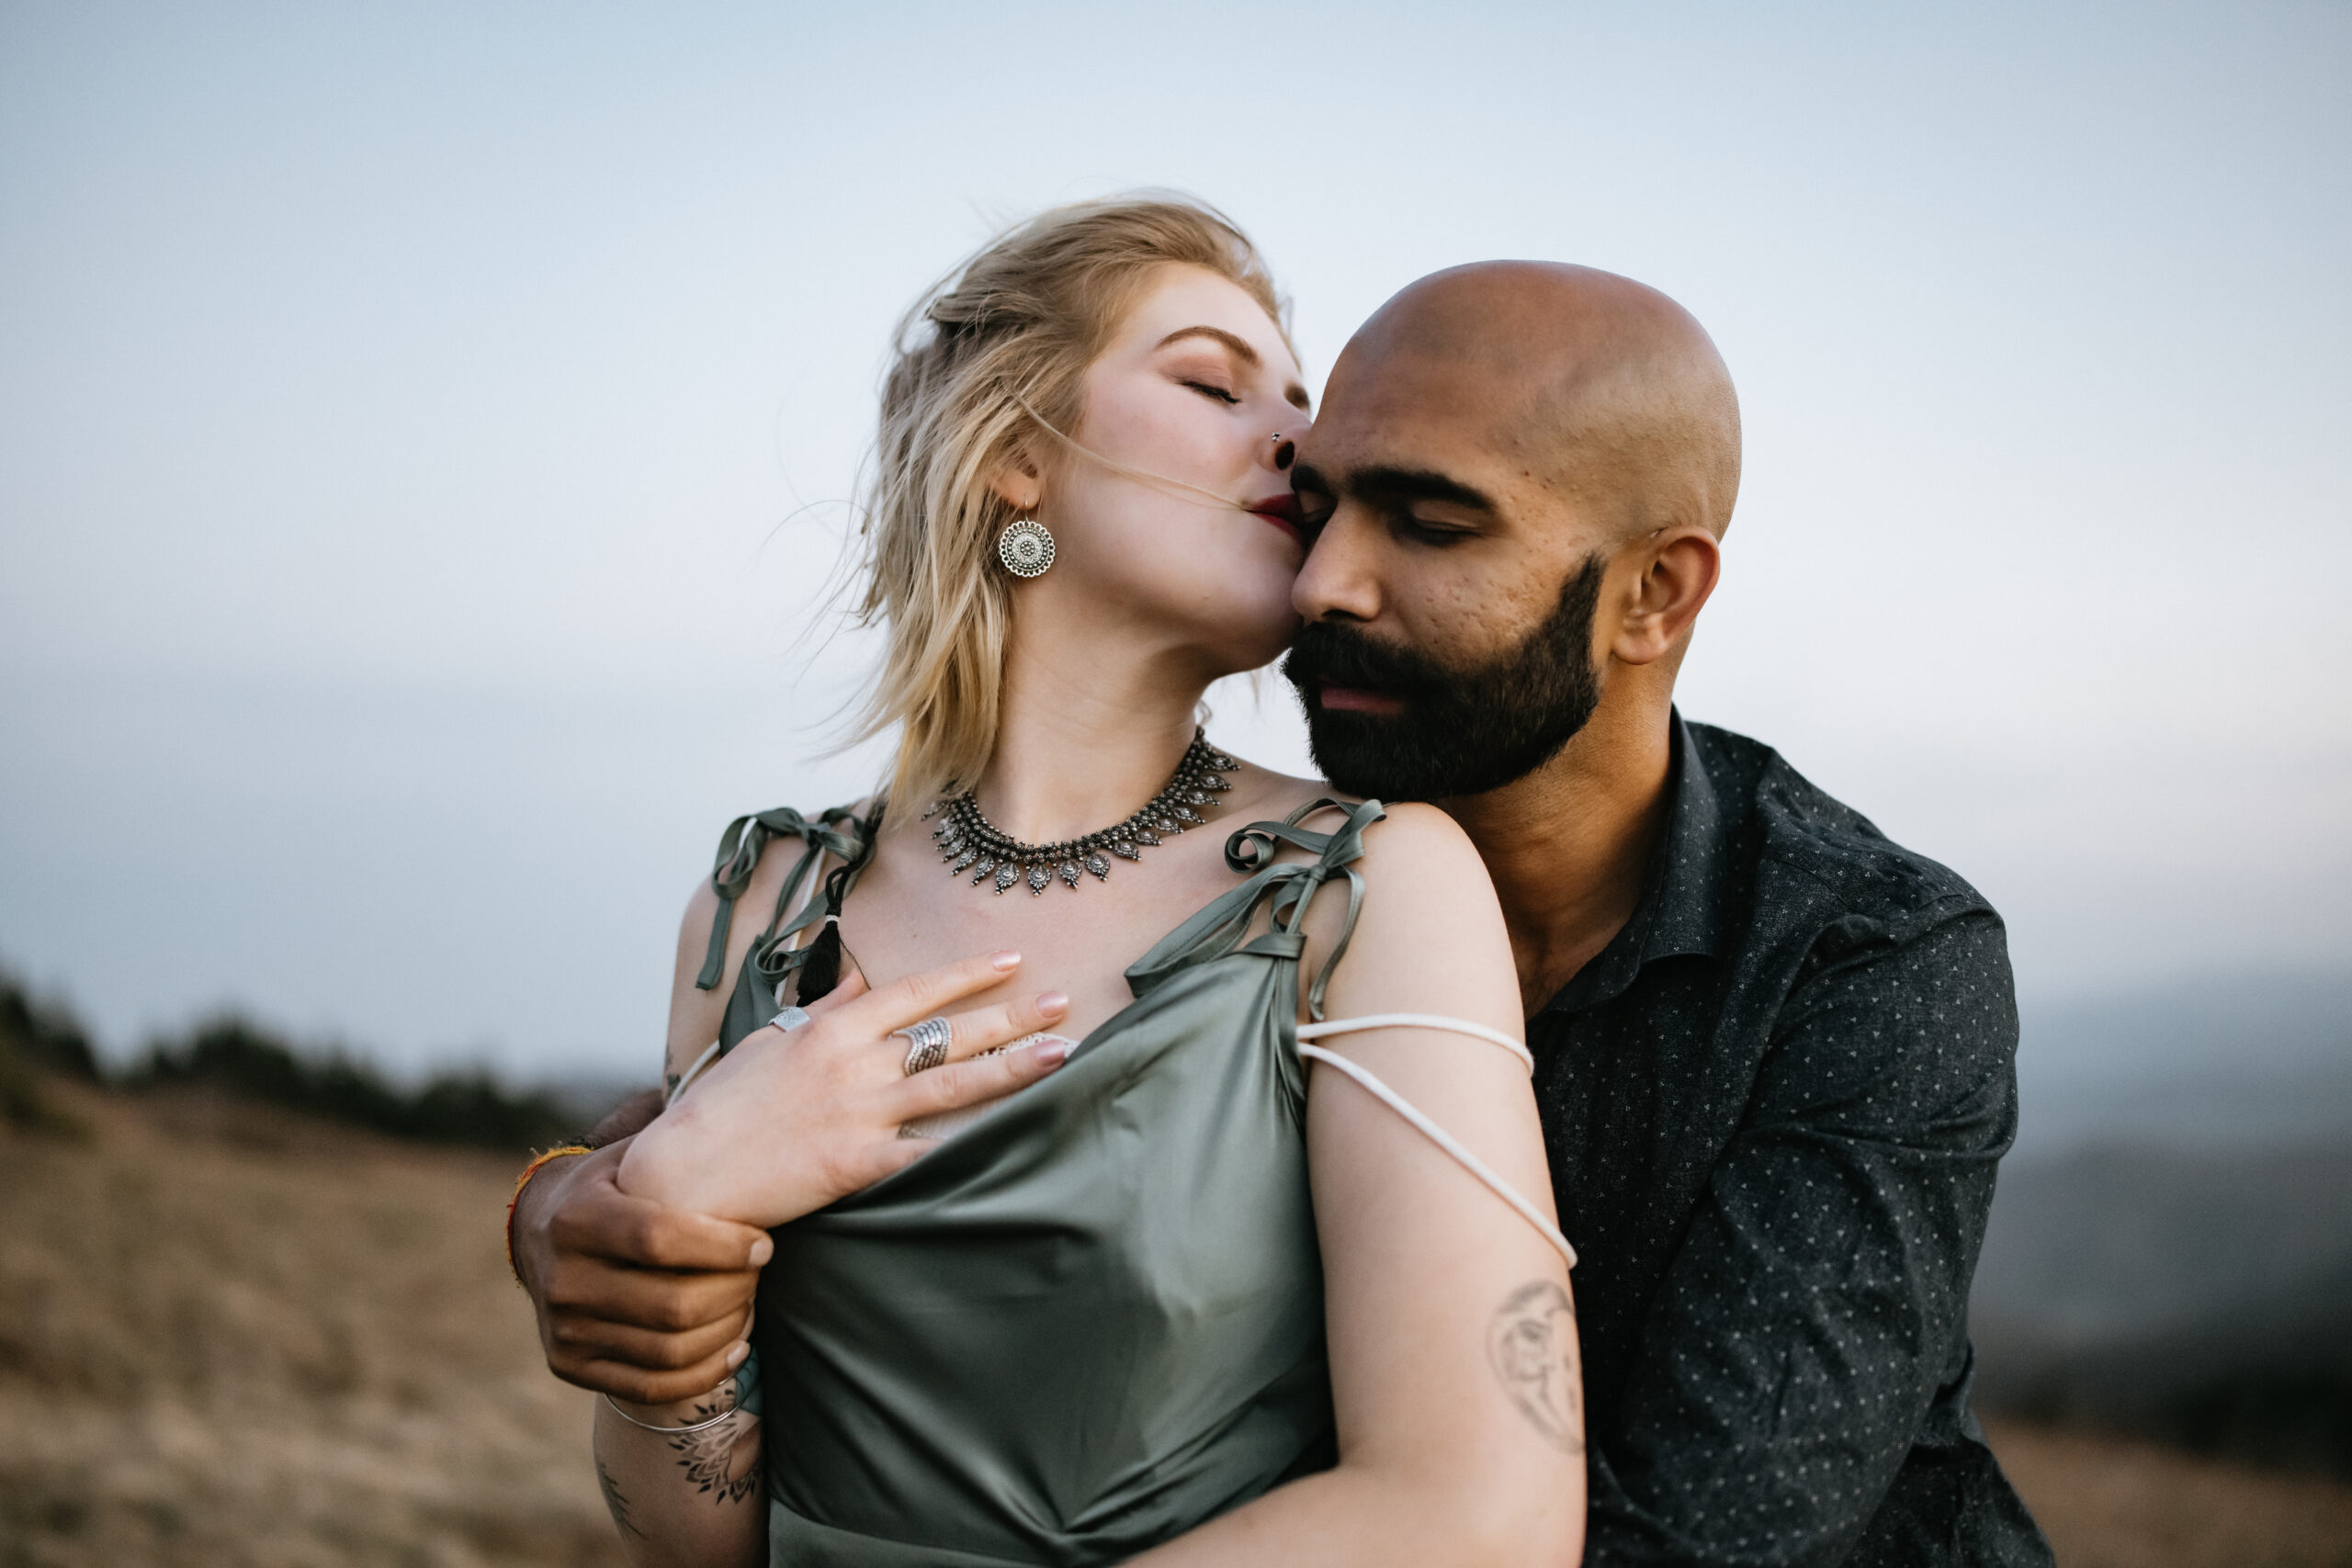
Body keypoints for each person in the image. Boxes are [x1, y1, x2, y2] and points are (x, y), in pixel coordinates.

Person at [516, 254, 2056, 1565]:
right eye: (1312, 503)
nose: (1325, 582)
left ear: (1654, 595)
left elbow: (1695, 1534)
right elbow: (722, 1189)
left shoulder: (1867, 958)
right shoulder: (798, 892)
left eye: (1431, 526)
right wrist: (598, 1209)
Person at [556, 197, 1586, 1567]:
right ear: (1016, 456)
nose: (1304, 445)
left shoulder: (1369, 890)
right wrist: (678, 1212)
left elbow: (1481, 1521)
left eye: (1305, 406)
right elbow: (699, 1547)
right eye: (1214, 384)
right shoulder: (760, 907)